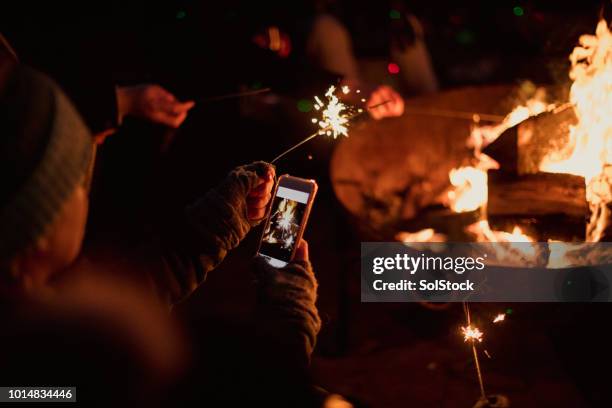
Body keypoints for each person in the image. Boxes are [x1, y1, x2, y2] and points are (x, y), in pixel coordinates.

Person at [0, 54, 321, 405]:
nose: (85, 191)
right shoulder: (89, 363)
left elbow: (142, 286)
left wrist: (216, 224)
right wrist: (289, 319)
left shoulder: (43, 312)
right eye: (75, 180)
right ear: (39, 224)